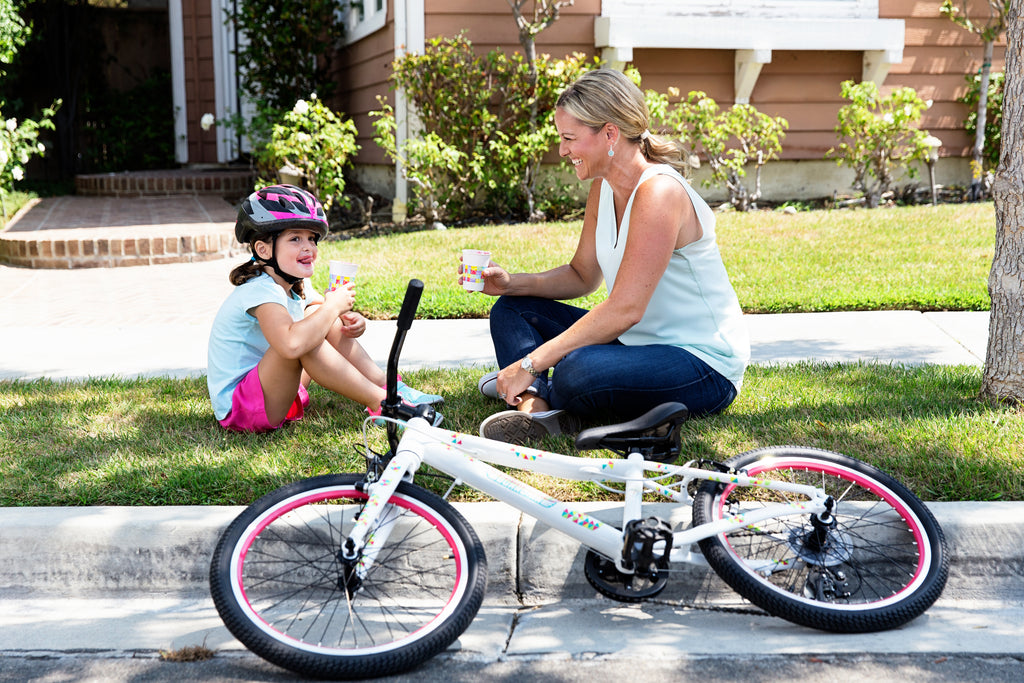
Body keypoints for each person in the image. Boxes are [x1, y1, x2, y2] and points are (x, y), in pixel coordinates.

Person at [467, 69, 749, 445]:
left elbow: (626, 309)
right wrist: (512, 282)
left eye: (569, 138)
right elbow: (582, 275)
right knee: (512, 308)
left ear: (610, 133)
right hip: (636, 347)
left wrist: (531, 361)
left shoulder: (660, 192)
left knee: (577, 370)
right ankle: (535, 403)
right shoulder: (603, 188)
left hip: (701, 364)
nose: (563, 150)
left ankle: (535, 383)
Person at [207, 184, 441, 433]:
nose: (308, 247)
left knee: (316, 319)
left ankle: (388, 386)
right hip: (242, 409)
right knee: (303, 338)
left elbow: (322, 314)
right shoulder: (260, 290)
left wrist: (348, 318)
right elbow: (291, 345)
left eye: (311, 238)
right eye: (295, 238)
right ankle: (384, 405)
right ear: (263, 249)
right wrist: (332, 306)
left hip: (275, 390)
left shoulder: (294, 282)